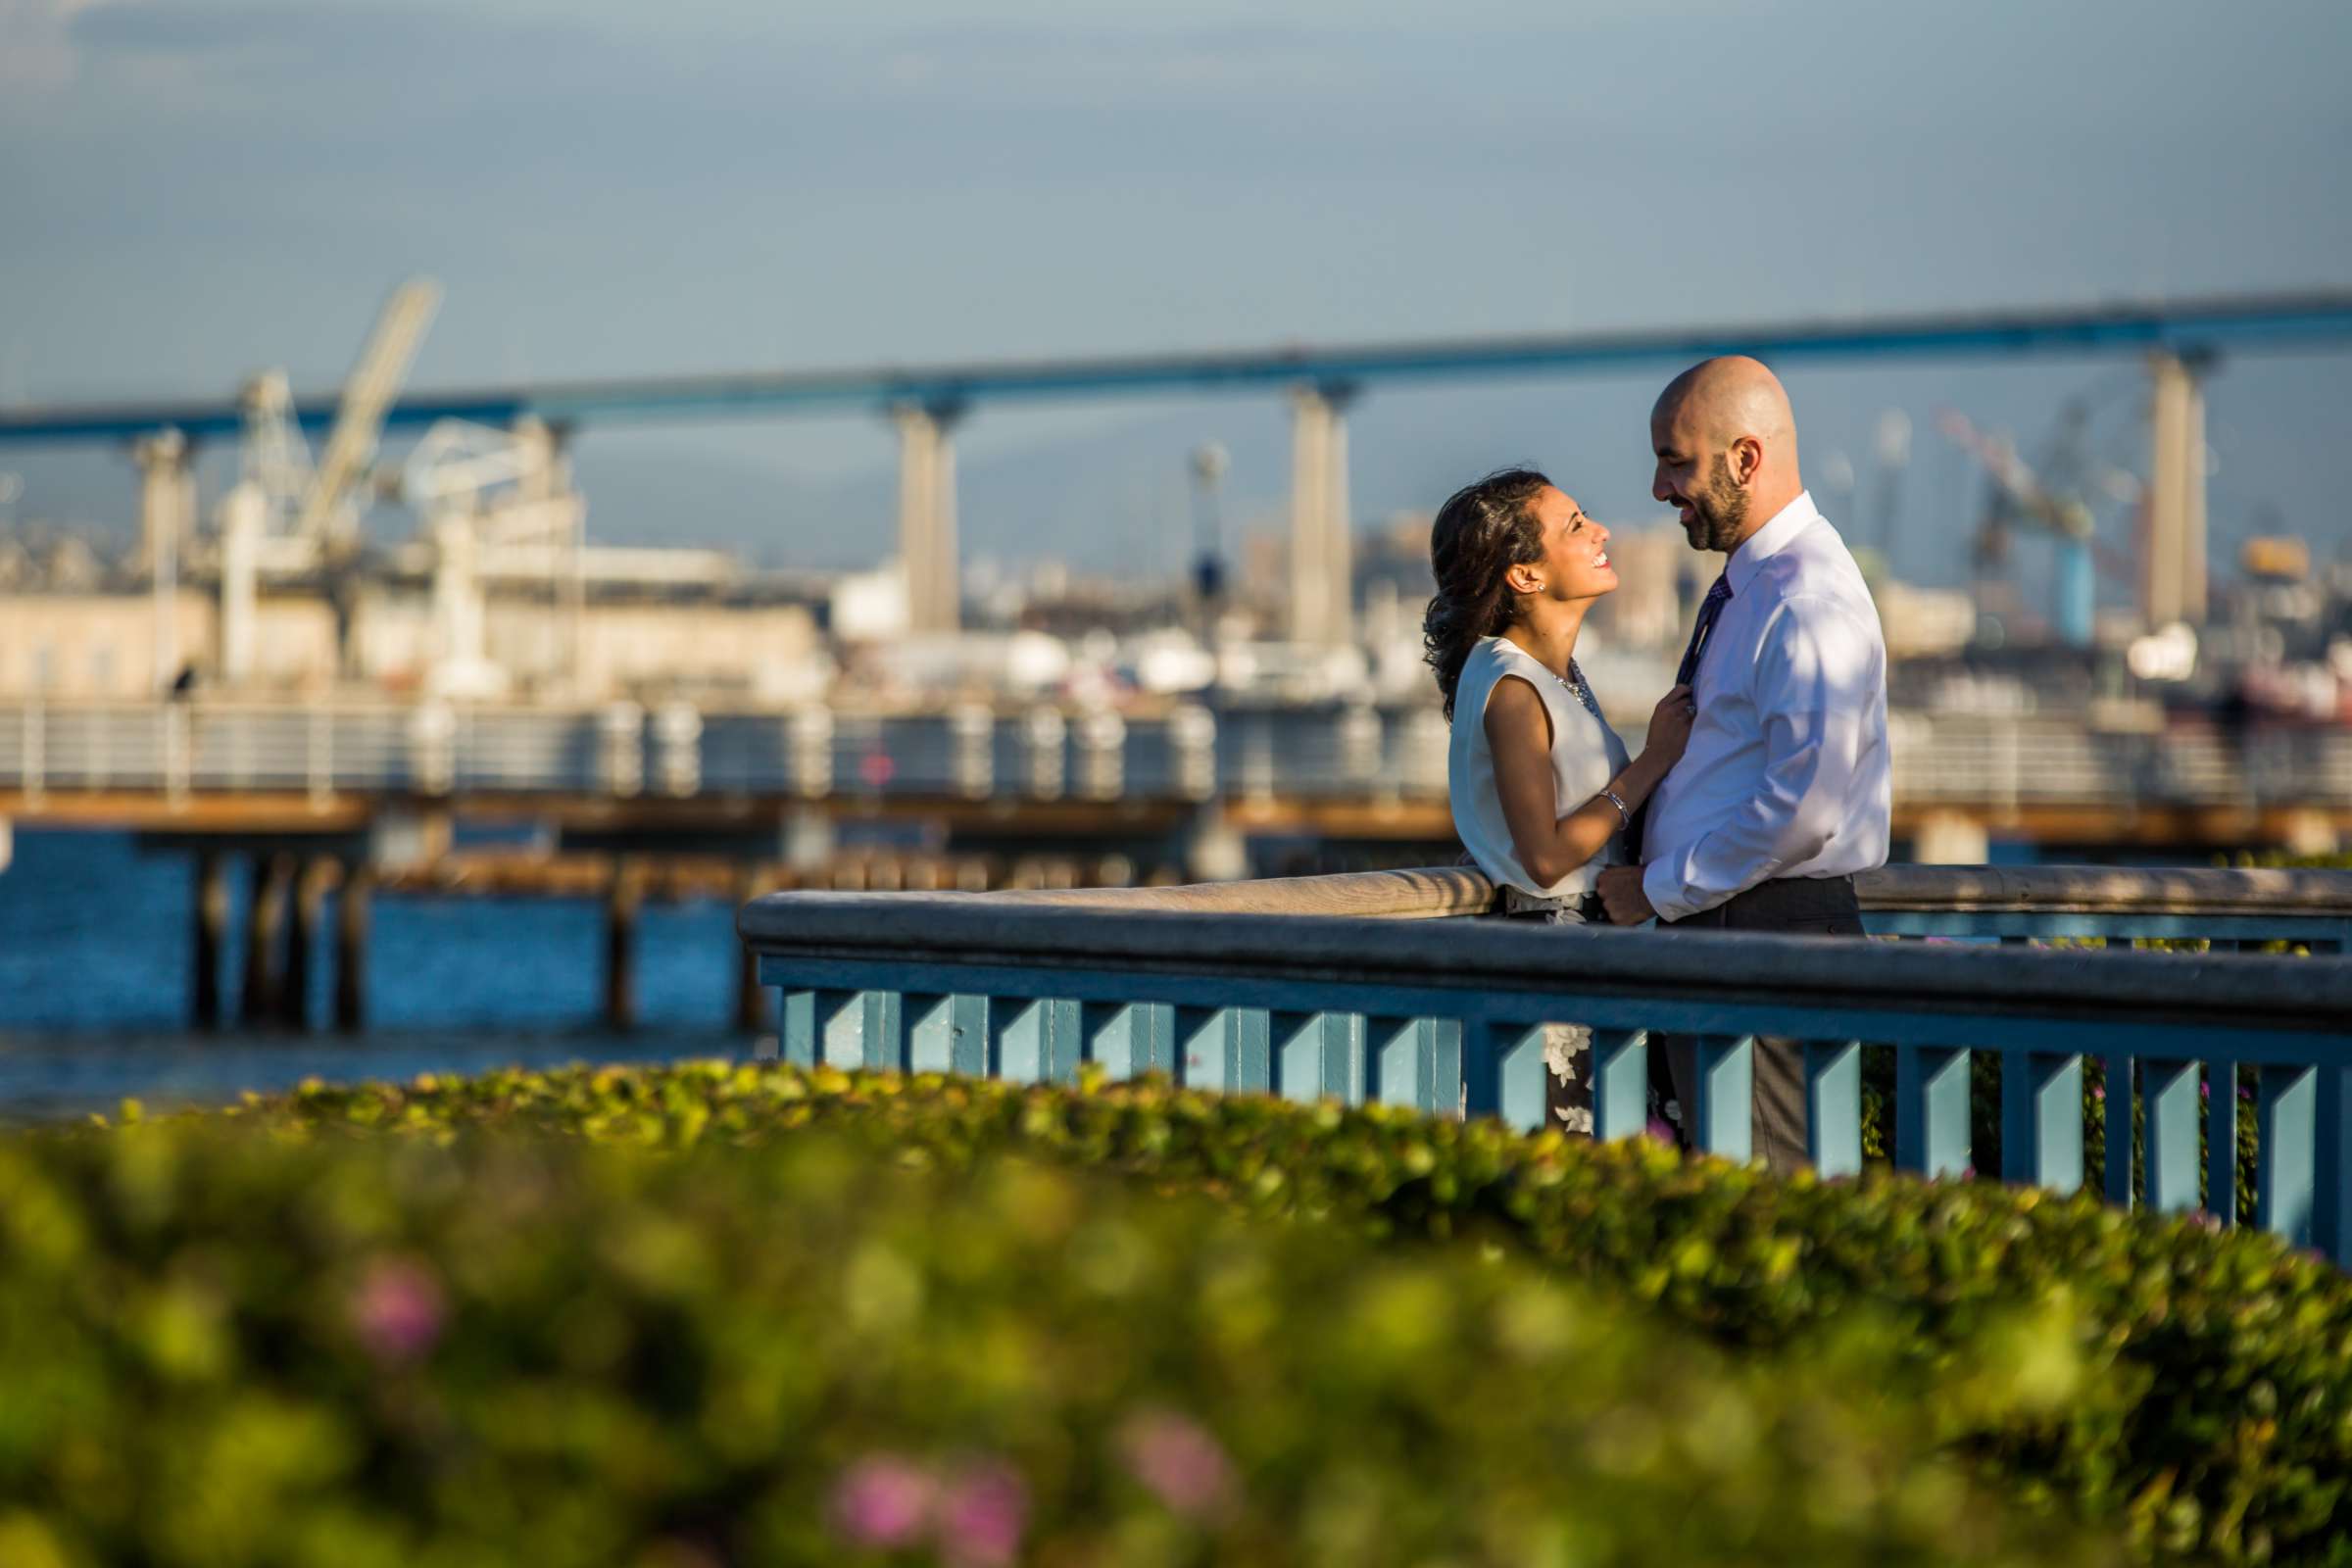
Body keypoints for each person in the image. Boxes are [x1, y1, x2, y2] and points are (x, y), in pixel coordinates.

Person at [1594, 358, 1891, 1172]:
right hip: (1737, 928)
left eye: (1675, 460)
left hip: (1764, 934)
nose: (1659, 489)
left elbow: (1807, 809)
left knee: (1763, 1195)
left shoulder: (1804, 601)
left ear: (1746, 458)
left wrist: (1655, 887)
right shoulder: (1755, 587)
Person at [1424, 468, 1695, 1130]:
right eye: (1575, 525)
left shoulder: (1553, 675)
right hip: (1558, 975)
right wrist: (1656, 761)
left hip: (1593, 960)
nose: (1601, 530)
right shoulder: (1513, 687)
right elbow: (1544, 857)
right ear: (1525, 576)